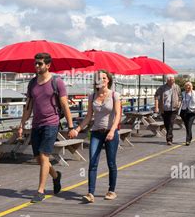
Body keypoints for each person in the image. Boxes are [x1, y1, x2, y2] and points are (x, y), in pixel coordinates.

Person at [18, 52, 77, 203]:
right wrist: (22, 125)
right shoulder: (32, 83)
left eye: (40, 64)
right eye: (35, 63)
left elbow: (64, 105)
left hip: (51, 123)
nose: (36, 66)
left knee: (44, 156)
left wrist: (71, 126)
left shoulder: (57, 82)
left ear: (48, 65)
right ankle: (56, 176)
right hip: (36, 124)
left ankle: (40, 190)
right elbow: (28, 107)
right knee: (39, 159)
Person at [73, 70, 121, 203]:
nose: (102, 80)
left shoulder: (114, 95)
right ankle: (90, 193)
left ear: (108, 80)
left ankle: (111, 190)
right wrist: (77, 129)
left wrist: (112, 130)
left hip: (110, 132)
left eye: (104, 78)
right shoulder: (92, 96)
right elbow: (88, 117)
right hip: (96, 132)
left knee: (111, 162)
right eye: (99, 78)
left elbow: (118, 115)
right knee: (93, 162)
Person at [154, 75, 182, 145]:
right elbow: (156, 96)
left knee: (171, 123)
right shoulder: (162, 88)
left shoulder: (176, 87)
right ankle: (169, 136)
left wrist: (179, 103)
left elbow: (180, 96)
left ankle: (169, 139)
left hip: (174, 108)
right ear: (167, 81)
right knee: (167, 124)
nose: (173, 81)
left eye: (173, 80)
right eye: (171, 80)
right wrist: (156, 107)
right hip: (164, 109)